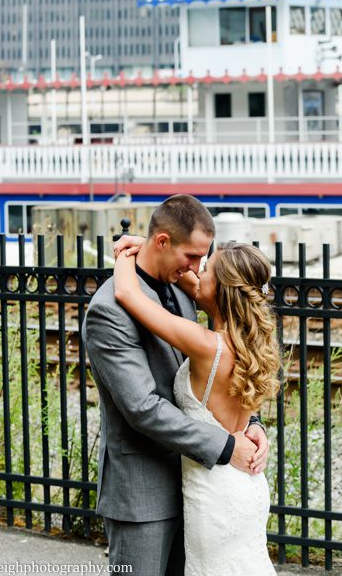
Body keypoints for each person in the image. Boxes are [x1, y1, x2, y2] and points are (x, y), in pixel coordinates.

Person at [82, 194, 270, 575]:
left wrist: (251, 425)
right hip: (145, 494)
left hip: (201, 488)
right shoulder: (109, 310)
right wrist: (225, 444)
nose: (197, 270)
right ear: (163, 242)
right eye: (191, 258)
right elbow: (143, 407)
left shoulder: (185, 291)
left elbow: (224, 377)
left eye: (204, 261)